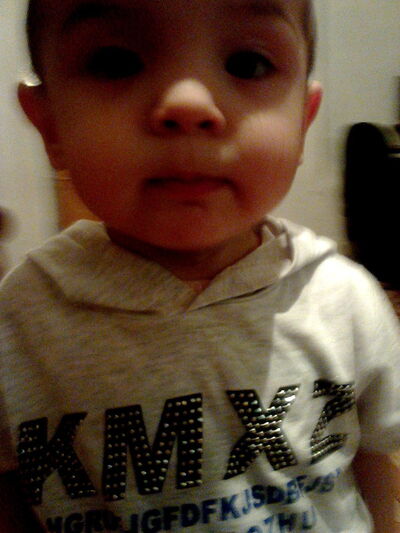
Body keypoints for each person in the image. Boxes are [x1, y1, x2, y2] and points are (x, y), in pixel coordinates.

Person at [1, 0, 400, 531]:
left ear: (303, 121)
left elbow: (373, 465)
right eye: (116, 62)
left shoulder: (346, 301)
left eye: (248, 64)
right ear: (48, 123)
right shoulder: (18, 324)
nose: (188, 103)